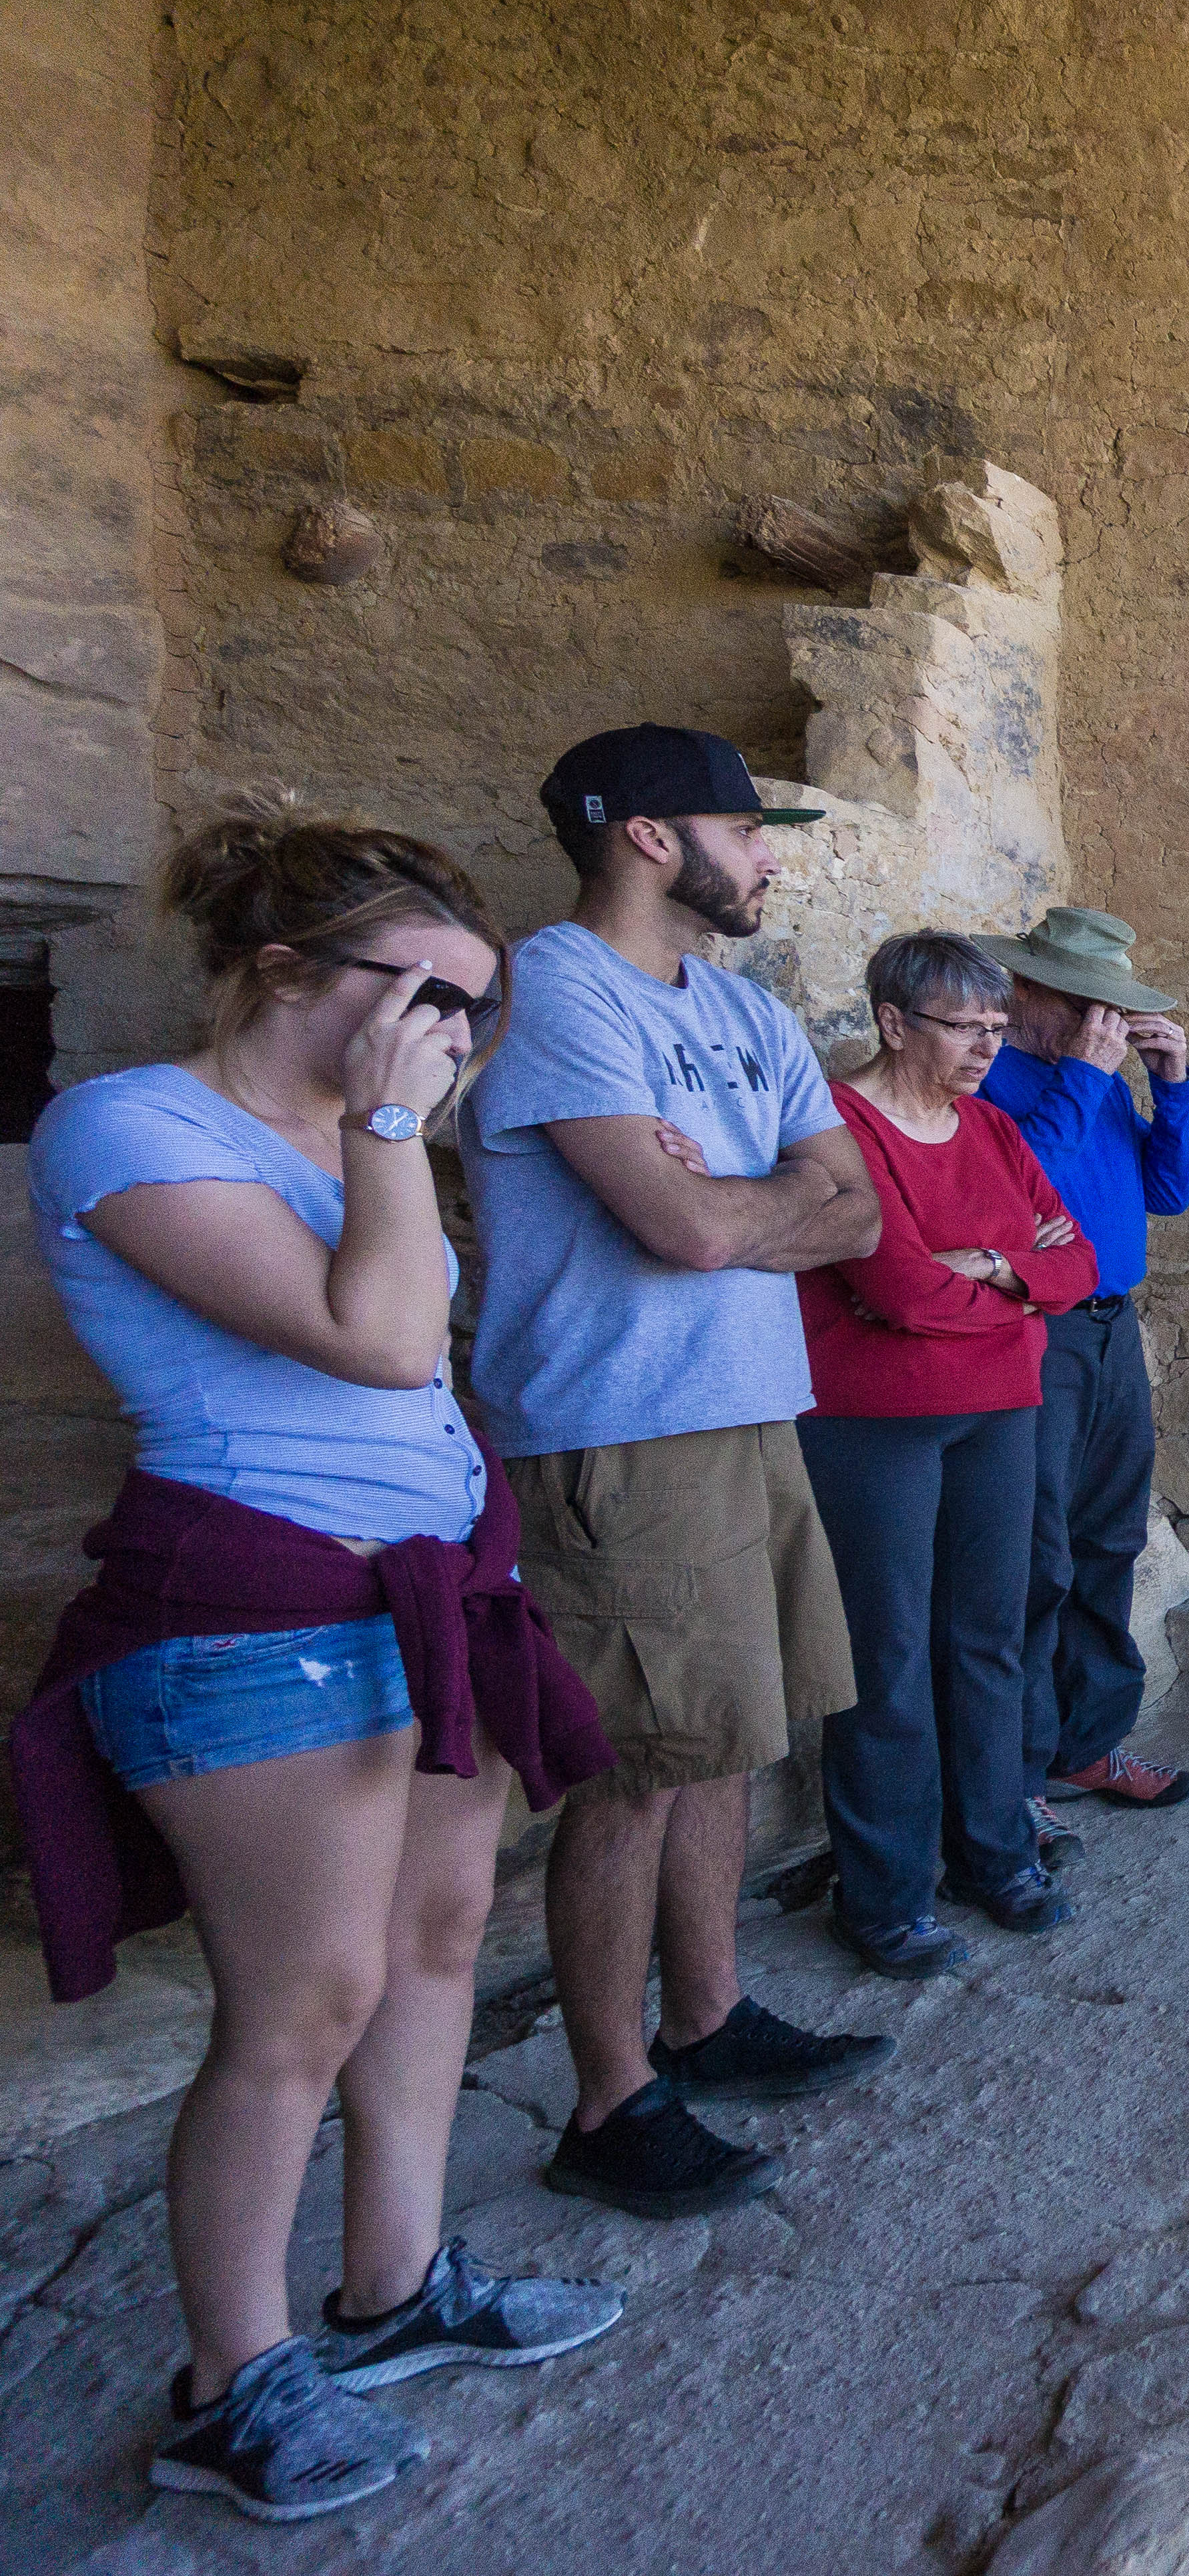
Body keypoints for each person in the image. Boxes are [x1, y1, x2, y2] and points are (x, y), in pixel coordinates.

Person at [15, 808, 623, 2521]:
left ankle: (395, 2285)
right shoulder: (128, 1124)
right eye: (422, 990)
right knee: (303, 2002)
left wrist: (382, 1131)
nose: (449, 1030)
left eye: (471, 1006)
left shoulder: (360, 1134)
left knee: (437, 1941)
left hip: (421, 1596)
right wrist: (390, 1127)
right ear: (283, 969)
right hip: (251, 1617)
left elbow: (417, 1352)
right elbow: (380, 1338)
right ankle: (232, 2381)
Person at [462, 724, 891, 2220]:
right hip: (621, 1428)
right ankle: (610, 2099)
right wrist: (759, 1201)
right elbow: (690, 1232)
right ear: (651, 836)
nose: (770, 856)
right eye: (749, 828)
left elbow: (858, 1217)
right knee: (634, 1773)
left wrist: (733, 1200)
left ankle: (705, 2018)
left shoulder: (741, 1005)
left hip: (747, 1406)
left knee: (728, 1739)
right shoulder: (556, 991)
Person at [799, 932, 1098, 1973]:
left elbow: (1078, 1265)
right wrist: (1016, 1286)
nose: (987, 1048)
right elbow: (893, 1287)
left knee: (988, 1637)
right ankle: (884, 1895)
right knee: (885, 1654)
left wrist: (992, 1270)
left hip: (1000, 1410)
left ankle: (994, 1855)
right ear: (893, 1023)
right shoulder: (837, 1124)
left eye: (996, 1028)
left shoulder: (993, 1128)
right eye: (965, 1028)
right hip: (873, 1420)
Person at [979, 905, 1189, 1823]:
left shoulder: (1098, 1077)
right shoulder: (990, 1074)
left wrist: (1172, 1087)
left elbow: (1168, 1191)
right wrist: (1082, 1074)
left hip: (1112, 1327)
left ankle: (1087, 1745)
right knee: (1036, 1555)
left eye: (1110, 1008)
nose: (1101, 1023)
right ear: (1027, 989)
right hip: (1038, 1330)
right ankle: (1017, 1778)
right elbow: (1011, 1197)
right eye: (1084, 1004)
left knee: (1109, 1540)